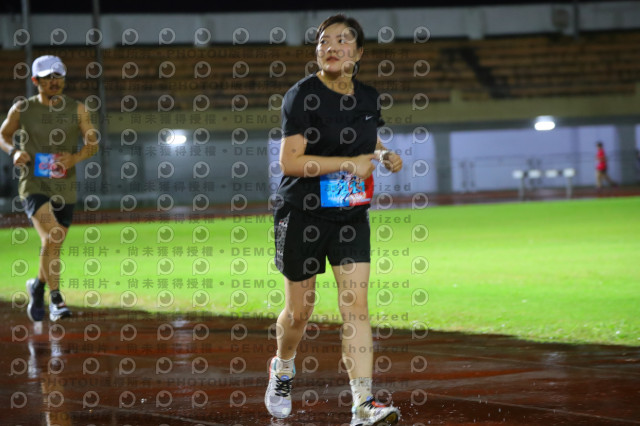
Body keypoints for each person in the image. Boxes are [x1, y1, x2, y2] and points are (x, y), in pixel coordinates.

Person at [265, 14, 403, 426]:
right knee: (299, 312)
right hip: (302, 213)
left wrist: (382, 154)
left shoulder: (368, 97)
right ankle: (282, 368)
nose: (332, 46)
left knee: (356, 307)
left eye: (343, 40)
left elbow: (367, 137)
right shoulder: (301, 96)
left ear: (358, 53)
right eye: (325, 41)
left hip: (350, 215)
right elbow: (289, 162)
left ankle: (363, 404)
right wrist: (347, 164)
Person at [0, 55, 99, 322]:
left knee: (53, 243)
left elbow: (92, 143)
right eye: (47, 77)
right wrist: (13, 152)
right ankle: (56, 300)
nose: (54, 81)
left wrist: (74, 158)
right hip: (33, 183)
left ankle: (37, 286)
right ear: (36, 81)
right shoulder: (22, 109)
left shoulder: (78, 109)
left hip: (65, 187)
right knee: (52, 236)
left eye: (58, 76)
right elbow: (3, 135)